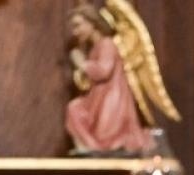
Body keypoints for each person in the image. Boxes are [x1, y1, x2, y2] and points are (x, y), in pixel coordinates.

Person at [66, 5, 156, 154]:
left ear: (92, 23)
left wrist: (83, 64)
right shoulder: (96, 47)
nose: (75, 32)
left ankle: (94, 148)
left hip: (111, 101)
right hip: (98, 99)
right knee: (74, 108)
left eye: (78, 25)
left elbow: (104, 71)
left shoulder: (107, 44)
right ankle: (89, 147)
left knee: (85, 117)